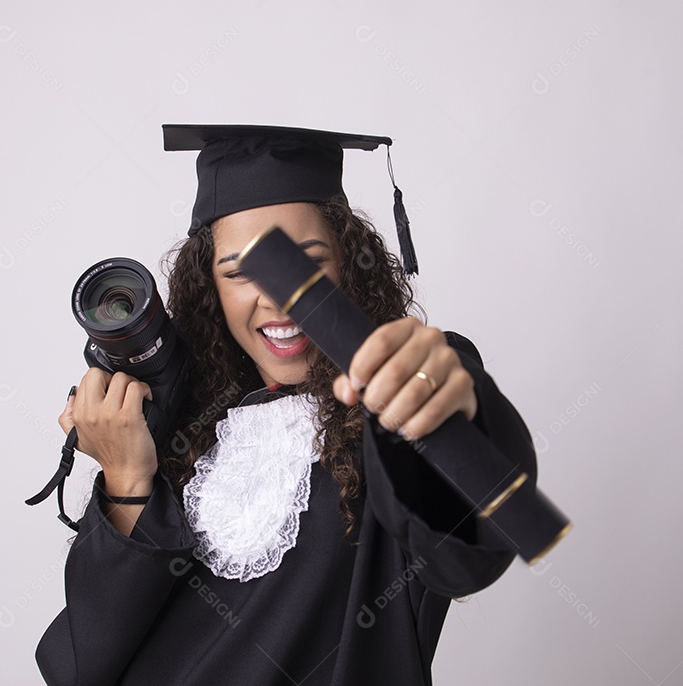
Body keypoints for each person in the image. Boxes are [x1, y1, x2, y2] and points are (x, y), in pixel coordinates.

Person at [34, 124, 538, 686]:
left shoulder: (396, 395)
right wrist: (127, 474)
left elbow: (468, 538)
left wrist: (442, 398)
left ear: (349, 263)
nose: (278, 298)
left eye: (306, 264)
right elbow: (81, 668)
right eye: (240, 272)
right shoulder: (187, 428)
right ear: (209, 288)